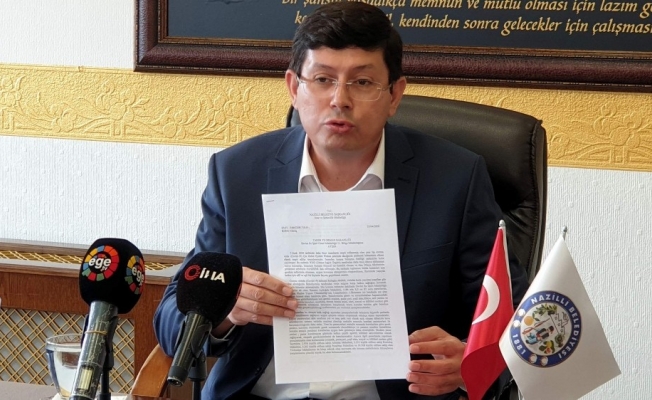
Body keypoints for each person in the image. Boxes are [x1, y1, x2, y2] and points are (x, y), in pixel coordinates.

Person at [154, 3, 528, 399]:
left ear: (395, 94)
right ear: (294, 88)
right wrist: (226, 312)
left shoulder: (455, 178)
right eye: (322, 79)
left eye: (362, 82)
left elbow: (519, 321)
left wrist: (473, 364)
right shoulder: (237, 173)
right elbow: (172, 320)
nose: (339, 99)